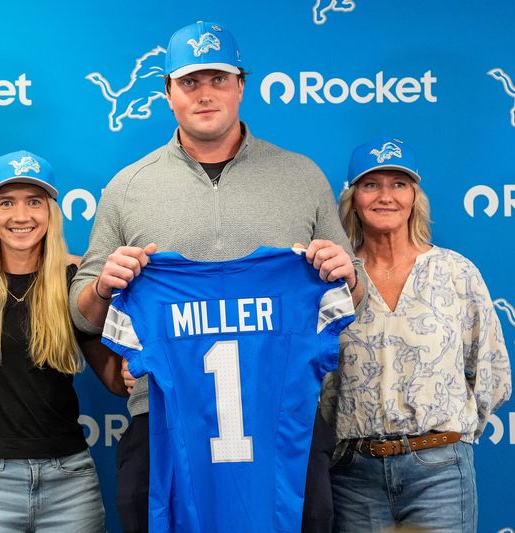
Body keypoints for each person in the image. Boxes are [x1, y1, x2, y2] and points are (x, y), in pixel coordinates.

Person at [70, 20, 365, 533]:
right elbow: (83, 311)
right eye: (189, 82)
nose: (205, 94)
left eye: (218, 80)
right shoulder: (128, 187)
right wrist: (102, 287)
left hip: (282, 422)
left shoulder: (301, 175)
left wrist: (347, 275)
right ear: (167, 93)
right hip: (163, 421)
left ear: (241, 87)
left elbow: (351, 297)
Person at [321, 137, 512, 533]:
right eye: (371, 184)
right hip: (353, 475)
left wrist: (450, 436)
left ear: (414, 197)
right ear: (353, 197)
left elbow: (491, 372)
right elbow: (321, 384)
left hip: (439, 470)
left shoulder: (455, 272)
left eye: (399, 184)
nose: (385, 196)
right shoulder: (334, 282)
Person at [0, 150, 125, 533]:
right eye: (6, 202)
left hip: (69, 481)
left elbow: (114, 380)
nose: (21, 216)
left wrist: (134, 371)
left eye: (34, 202)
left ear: (50, 211)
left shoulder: (73, 281)